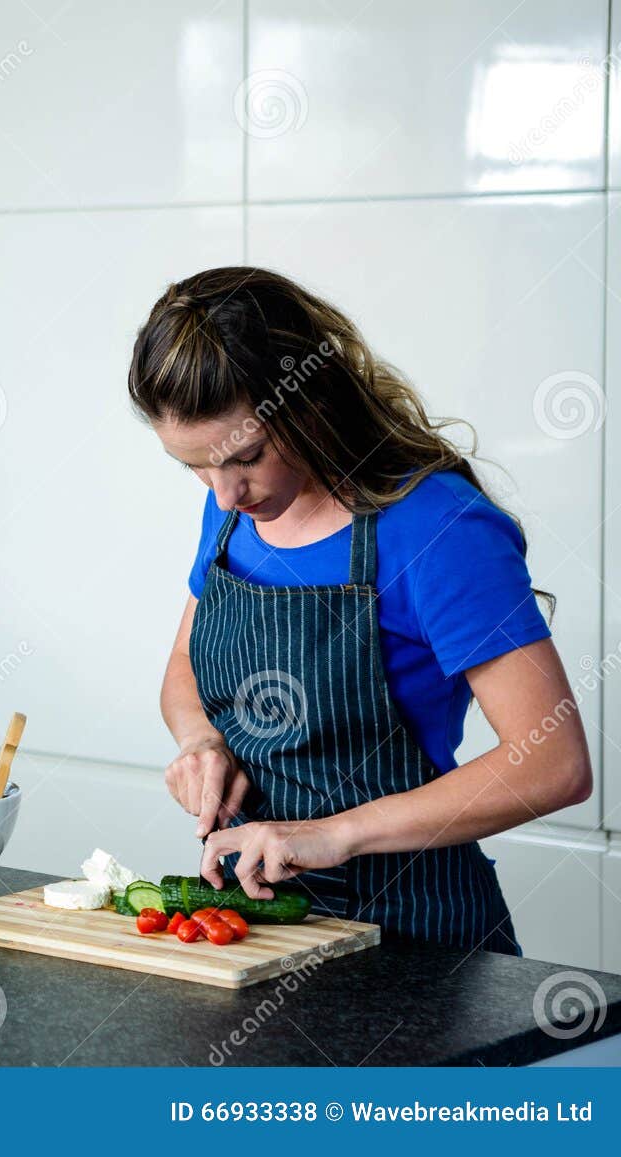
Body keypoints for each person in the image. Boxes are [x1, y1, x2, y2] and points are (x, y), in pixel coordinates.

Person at [126, 266, 591, 954]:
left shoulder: (436, 527)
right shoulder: (232, 515)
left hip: (415, 936)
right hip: (255, 929)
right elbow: (183, 668)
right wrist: (201, 741)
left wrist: (333, 833)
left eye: (246, 455)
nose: (223, 493)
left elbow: (554, 763)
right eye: (193, 465)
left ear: (309, 401)